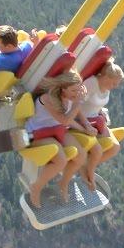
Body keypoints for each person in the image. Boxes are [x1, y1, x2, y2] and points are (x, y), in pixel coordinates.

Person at [24, 70, 101, 208]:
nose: (76, 93)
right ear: (62, 88)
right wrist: (79, 102)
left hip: (57, 130)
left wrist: (86, 127)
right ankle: (36, 187)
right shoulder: (48, 98)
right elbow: (65, 120)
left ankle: (63, 183)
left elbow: (73, 115)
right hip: (39, 132)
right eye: (73, 90)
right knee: (61, 160)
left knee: (81, 155)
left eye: (78, 89)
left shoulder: (71, 98)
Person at [76, 58, 124, 184]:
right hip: (82, 120)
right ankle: (89, 173)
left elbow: (95, 104)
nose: (115, 87)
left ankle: (86, 165)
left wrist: (101, 111)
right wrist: (86, 125)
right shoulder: (91, 84)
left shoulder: (106, 87)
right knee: (98, 150)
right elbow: (75, 105)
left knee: (115, 147)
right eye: (114, 83)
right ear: (106, 78)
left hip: (96, 120)